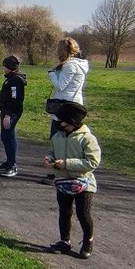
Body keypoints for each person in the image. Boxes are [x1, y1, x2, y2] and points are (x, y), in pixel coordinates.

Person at [44, 102, 100, 259]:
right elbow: (53, 152)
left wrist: (67, 163)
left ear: (71, 121)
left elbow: (92, 162)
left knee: (83, 214)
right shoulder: (57, 137)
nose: (58, 123)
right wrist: (50, 159)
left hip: (84, 183)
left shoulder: (87, 139)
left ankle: (88, 241)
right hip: (63, 181)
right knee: (64, 212)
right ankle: (64, 241)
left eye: (61, 120)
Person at [47, 37, 89, 138]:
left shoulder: (70, 66)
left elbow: (60, 86)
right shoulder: (78, 64)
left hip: (65, 105)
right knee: (69, 138)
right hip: (74, 102)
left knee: (57, 138)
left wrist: (52, 74)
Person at [0, 55, 27, 177]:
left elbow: (15, 99)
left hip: (11, 113)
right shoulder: (10, 78)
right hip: (6, 112)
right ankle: (8, 162)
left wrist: (8, 115)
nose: (3, 68)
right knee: (4, 136)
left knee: (9, 136)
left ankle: (13, 165)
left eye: (5, 65)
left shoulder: (15, 81)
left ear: (10, 67)